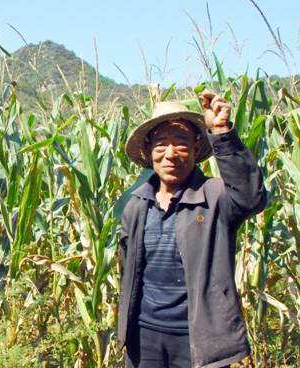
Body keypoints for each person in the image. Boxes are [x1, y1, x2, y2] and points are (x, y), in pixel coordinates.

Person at [118, 92, 266, 368]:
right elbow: (128, 268)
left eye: (181, 144)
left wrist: (221, 132)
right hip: (144, 336)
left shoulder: (214, 195)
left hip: (199, 338)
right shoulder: (136, 204)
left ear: (197, 149)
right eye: (161, 144)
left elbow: (251, 198)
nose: (170, 154)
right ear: (149, 150)